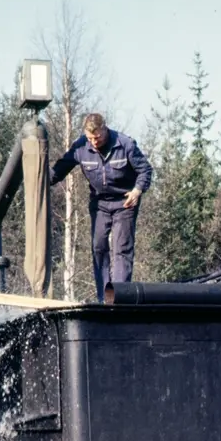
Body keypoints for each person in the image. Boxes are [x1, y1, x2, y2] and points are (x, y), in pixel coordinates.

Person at [50, 113, 153, 302]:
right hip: (99, 203)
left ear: (104, 129)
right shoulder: (80, 147)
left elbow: (145, 170)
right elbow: (59, 170)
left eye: (97, 137)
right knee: (99, 247)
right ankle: (104, 297)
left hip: (125, 201)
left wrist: (137, 191)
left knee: (121, 248)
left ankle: (120, 296)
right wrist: (37, 175)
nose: (94, 142)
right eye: (90, 138)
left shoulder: (125, 144)